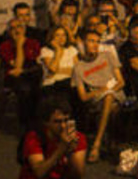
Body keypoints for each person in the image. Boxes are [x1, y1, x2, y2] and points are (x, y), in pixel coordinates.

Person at [68, 30, 120, 163]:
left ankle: (96, 143)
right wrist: (100, 91)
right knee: (111, 106)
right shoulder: (79, 67)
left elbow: (121, 81)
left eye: (97, 42)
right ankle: (108, 142)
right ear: (83, 43)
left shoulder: (108, 56)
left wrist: (108, 90)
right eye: (91, 41)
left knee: (110, 98)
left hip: (116, 92)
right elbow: (83, 97)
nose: (95, 45)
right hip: (96, 97)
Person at [0, 19, 43, 130]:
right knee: (24, 88)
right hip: (14, 77)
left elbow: (38, 63)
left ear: (24, 29)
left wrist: (23, 70)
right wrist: (19, 46)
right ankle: (27, 123)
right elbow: (17, 65)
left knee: (39, 86)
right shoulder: (4, 47)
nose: (17, 31)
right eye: (13, 28)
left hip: (32, 73)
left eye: (19, 27)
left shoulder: (34, 43)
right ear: (8, 32)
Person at [16, 106, 83, 179]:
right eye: (57, 121)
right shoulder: (34, 137)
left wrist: (70, 153)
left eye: (66, 120)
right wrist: (61, 149)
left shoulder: (77, 137)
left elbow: (77, 176)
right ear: (46, 122)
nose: (63, 126)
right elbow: (40, 173)